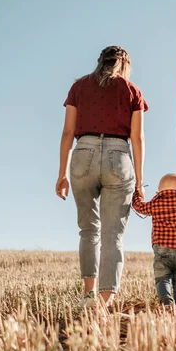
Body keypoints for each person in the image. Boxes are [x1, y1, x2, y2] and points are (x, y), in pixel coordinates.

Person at [56, 46, 148, 309]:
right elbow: (137, 138)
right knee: (113, 234)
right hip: (118, 155)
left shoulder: (79, 87)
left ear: (100, 62)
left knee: (88, 229)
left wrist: (62, 173)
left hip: (82, 152)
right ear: (125, 65)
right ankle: (105, 302)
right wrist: (140, 182)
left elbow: (67, 133)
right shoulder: (131, 90)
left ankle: (88, 295)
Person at [131, 174, 176, 305]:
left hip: (162, 248)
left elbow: (139, 207)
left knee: (162, 278)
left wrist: (137, 193)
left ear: (158, 191)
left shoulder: (155, 203)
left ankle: (166, 301)